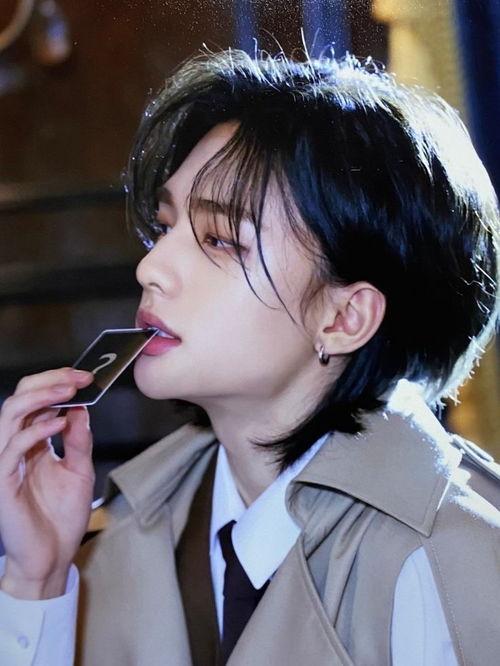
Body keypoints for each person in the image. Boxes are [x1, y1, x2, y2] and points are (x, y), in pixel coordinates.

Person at [0, 46, 499, 666]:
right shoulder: (121, 527)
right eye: (166, 227)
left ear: (344, 317)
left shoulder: (449, 561)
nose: (151, 267)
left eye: (220, 239)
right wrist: (37, 581)